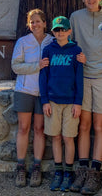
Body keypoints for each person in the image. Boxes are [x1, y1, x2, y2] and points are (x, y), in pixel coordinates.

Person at [69, 0, 102, 195]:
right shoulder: (75, 17)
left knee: (99, 126)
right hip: (82, 77)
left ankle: (94, 172)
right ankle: (81, 170)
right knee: (83, 126)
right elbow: (70, 45)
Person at [39, 16, 83, 192]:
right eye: (57, 30)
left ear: (69, 31)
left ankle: (68, 172)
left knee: (68, 137)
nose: (60, 33)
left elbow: (79, 79)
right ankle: (58, 172)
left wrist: (78, 103)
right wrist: (44, 101)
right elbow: (43, 77)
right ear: (53, 32)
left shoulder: (76, 51)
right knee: (55, 137)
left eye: (63, 29)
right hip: (52, 101)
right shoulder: (48, 50)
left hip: (70, 101)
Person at [11, 9, 54, 188]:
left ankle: (37, 167)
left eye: (38, 21)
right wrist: (36, 66)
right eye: (32, 22)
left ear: (45, 23)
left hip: (44, 93)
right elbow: (15, 66)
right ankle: (21, 167)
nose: (35, 25)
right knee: (23, 128)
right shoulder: (23, 42)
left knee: (39, 128)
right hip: (25, 90)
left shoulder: (52, 41)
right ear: (29, 25)